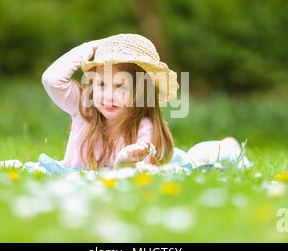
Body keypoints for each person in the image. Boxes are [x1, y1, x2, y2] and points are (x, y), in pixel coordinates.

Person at [41, 33, 249, 173]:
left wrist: (124, 163)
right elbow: (52, 79)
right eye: (102, 84)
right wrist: (90, 48)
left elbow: (141, 175)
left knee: (198, 157)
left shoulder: (144, 127)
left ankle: (229, 146)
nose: (109, 96)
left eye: (121, 86)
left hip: (164, 161)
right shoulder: (84, 108)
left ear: (141, 92)